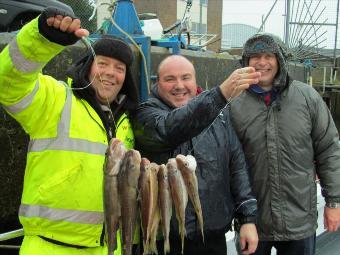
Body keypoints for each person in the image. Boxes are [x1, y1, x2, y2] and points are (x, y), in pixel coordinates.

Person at [0, 7, 140, 255]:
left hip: (110, 247)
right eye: (103, 63)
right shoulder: (55, 99)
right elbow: (9, 82)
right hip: (51, 247)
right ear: (87, 67)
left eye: (119, 67)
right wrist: (40, 39)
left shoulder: (127, 120)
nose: (110, 73)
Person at [133, 55, 261, 255]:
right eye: (170, 79)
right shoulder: (145, 115)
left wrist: (247, 219)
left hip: (211, 238)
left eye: (186, 78)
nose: (179, 85)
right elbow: (171, 127)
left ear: (195, 81)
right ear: (157, 83)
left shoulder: (220, 116)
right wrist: (220, 95)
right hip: (163, 240)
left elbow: (237, 167)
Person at [229, 33, 340, 255]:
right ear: (246, 62)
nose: (262, 62)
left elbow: (329, 150)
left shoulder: (308, 98)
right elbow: (226, 162)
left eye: (268, 55)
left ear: (280, 59)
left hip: (299, 221)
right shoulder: (232, 102)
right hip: (252, 222)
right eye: (255, 56)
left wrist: (333, 202)